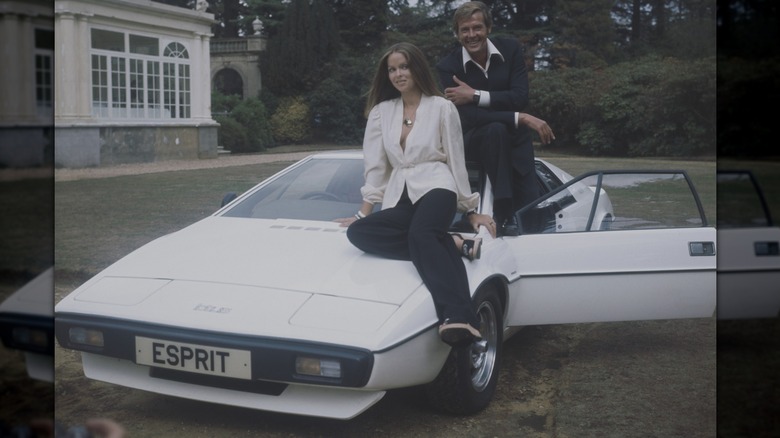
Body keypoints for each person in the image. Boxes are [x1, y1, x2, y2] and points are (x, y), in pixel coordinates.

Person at [336, 42, 496, 346]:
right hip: (401, 194)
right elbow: (376, 166)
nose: (398, 74)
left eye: (404, 67)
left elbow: (455, 158)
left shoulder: (441, 107)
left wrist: (469, 208)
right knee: (360, 234)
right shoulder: (381, 113)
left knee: (421, 235)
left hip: (438, 185)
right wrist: (363, 212)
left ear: (417, 68)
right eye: (392, 69)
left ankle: (459, 316)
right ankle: (451, 241)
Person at [436, 1, 555, 236]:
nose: (472, 35)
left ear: (488, 28)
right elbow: (469, 117)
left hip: (517, 147)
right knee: (494, 129)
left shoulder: (510, 50)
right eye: (465, 30)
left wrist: (475, 95)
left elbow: (519, 96)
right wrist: (520, 117)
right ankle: (503, 209)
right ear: (457, 33)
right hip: (475, 141)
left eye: (477, 28)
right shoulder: (448, 67)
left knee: (531, 225)